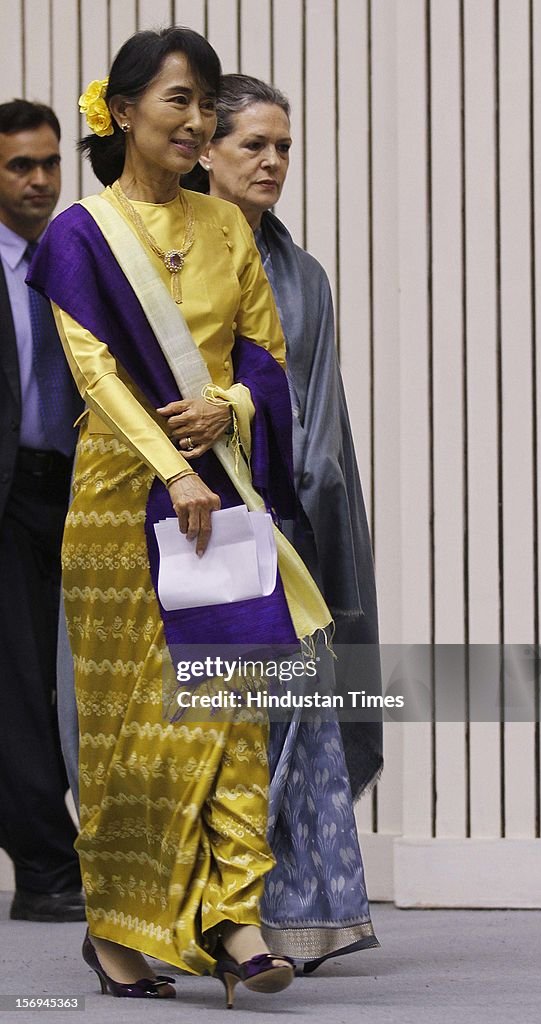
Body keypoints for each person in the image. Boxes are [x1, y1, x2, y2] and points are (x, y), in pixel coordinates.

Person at [27, 27, 334, 1005]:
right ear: (122, 113)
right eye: (176, 100)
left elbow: (263, 361)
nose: (197, 119)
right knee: (135, 728)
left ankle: (235, 920)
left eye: (204, 101)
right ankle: (119, 930)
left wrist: (227, 412)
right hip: (125, 507)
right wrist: (174, 466)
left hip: (223, 496)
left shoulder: (227, 227)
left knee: (231, 709)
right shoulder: (80, 232)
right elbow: (95, 373)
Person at [182, 74, 383, 969]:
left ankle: (283, 923)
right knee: (215, 732)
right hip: (204, 527)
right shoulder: (174, 255)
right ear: (206, 151)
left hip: (291, 532)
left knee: (294, 727)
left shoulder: (303, 273)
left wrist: (323, 531)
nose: (273, 161)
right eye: (254, 144)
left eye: (285, 147)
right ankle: (189, 921)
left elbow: (324, 420)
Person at [0, 99, 85, 923]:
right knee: (19, 684)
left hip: (77, 489)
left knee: (71, 682)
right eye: (20, 165)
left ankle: (65, 860)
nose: (38, 179)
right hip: (7, 494)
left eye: (49, 163)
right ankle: (48, 871)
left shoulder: (75, 255)